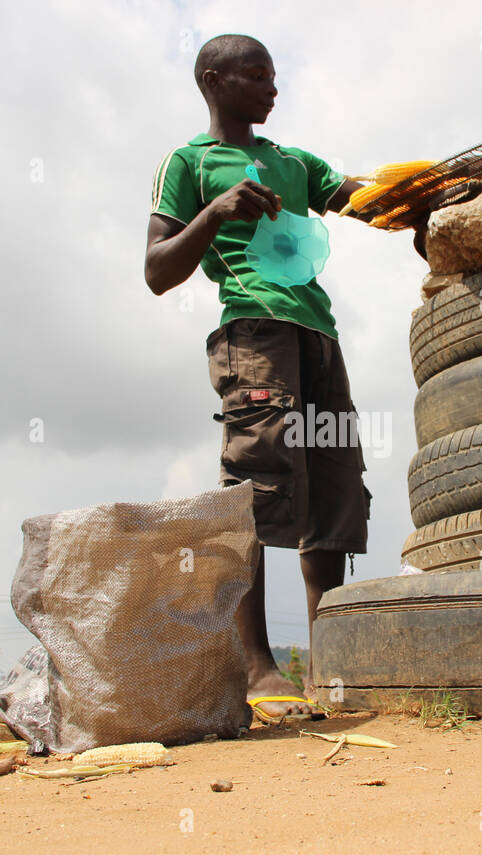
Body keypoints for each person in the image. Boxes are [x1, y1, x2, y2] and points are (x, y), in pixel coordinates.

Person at [144, 34, 375, 720]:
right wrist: (215, 214)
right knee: (257, 490)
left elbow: (359, 199)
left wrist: (422, 197)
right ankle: (258, 668)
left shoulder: (296, 162)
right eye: (257, 75)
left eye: (275, 75)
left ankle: (329, 667)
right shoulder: (190, 162)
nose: (273, 87)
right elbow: (157, 271)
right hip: (255, 334)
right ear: (214, 80)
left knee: (334, 492)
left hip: (319, 335)